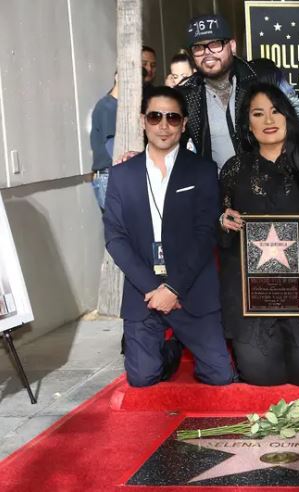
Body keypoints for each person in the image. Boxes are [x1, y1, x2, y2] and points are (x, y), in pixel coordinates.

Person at [103, 86, 234, 387]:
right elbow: (115, 237)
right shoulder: (122, 175)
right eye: (155, 116)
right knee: (142, 378)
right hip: (144, 293)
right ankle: (171, 348)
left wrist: (173, 288)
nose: (164, 125)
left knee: (220, 376)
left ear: (184, 124)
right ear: (142, 120)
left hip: (191, 289)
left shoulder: (203, 171)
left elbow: (205, 234)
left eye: (173, 118)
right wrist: (154, 288)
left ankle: (184, 339)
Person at [218, 83, 299, 386]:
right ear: (247, 123)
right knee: (261, 377)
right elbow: (220, 229)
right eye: (258, 114)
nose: (269, 121)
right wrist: (223, 221)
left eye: (276, 111)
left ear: (289, 115)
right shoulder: (234, 169)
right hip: (252, 298)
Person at [178, 14, 299, 172]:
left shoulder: (263, 74)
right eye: (198, 47)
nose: (207, 53)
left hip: (271, 180)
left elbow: (297, 108)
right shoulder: (186, 94)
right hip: (218, 190)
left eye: (215, 44)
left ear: (232, 45)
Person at [90, 73, 118, 211]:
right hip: (109, 174)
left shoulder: (113, 105)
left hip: (109, 174)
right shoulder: (108, 106)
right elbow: (111, 145)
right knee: (118, 226)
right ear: (117, 77)